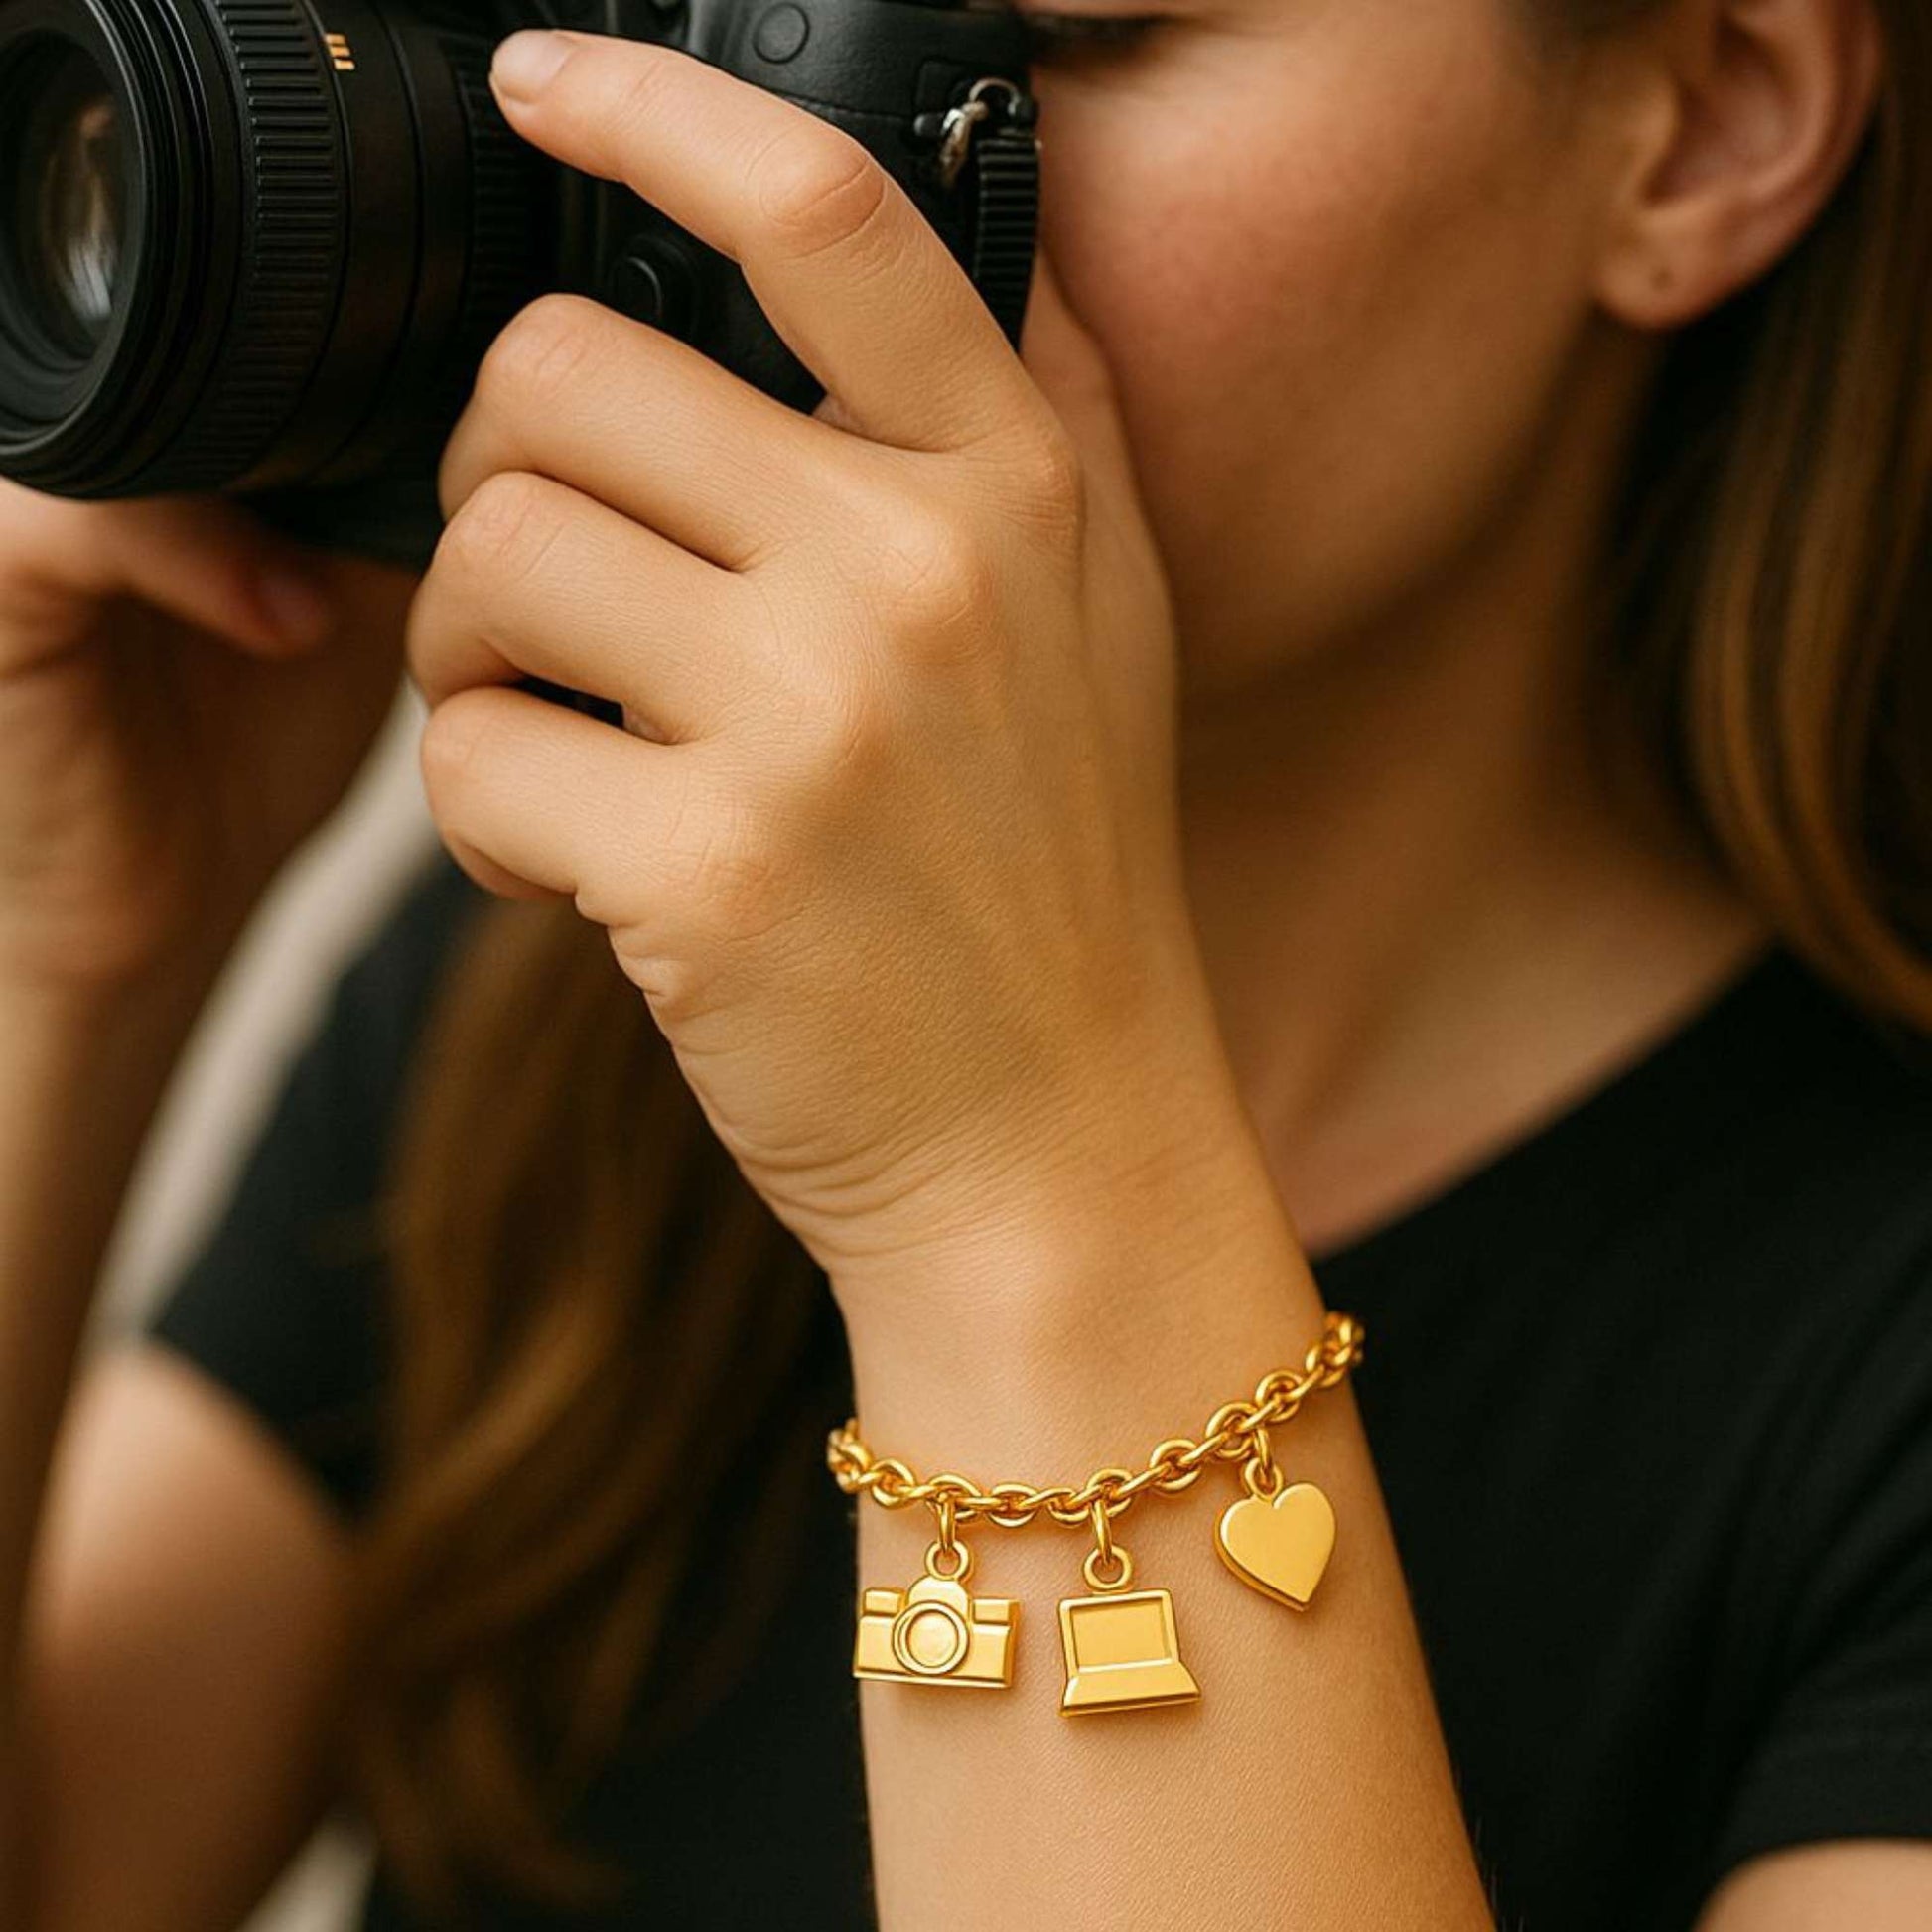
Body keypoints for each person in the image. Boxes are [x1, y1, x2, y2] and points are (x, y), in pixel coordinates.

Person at [1, 0, 1927, 1925]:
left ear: (1708, 121)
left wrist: (1018, 1173)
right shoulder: (575, 1005)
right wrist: (69, 959)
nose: (790, 176)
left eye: (1043, 34)